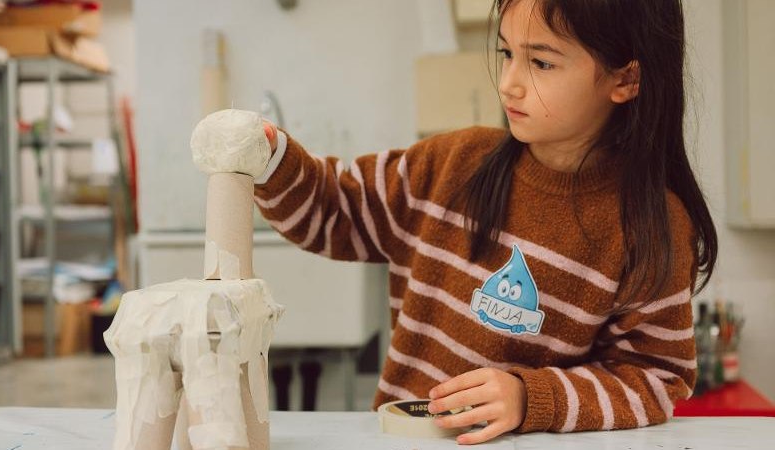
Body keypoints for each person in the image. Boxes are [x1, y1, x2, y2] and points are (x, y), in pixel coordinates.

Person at [253, 0, 717, 444]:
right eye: (507, 53)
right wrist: (270, 159)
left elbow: (652, 381)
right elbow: (333, 209)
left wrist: (529, 397)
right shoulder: (450, 164)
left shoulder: (654, 229)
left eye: (541, 63)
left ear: (626, 78)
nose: (509, 83)